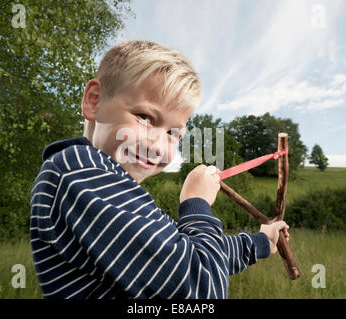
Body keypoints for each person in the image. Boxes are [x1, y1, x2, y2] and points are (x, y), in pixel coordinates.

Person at [30, 40, 290, 299]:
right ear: (95, 101)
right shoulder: (79, 172)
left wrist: (261, 242)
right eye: (144, 117)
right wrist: (196, 203)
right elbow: (199, 287)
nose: (157, 146)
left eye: (173, 133)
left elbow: (184, 249)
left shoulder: (103, 181)